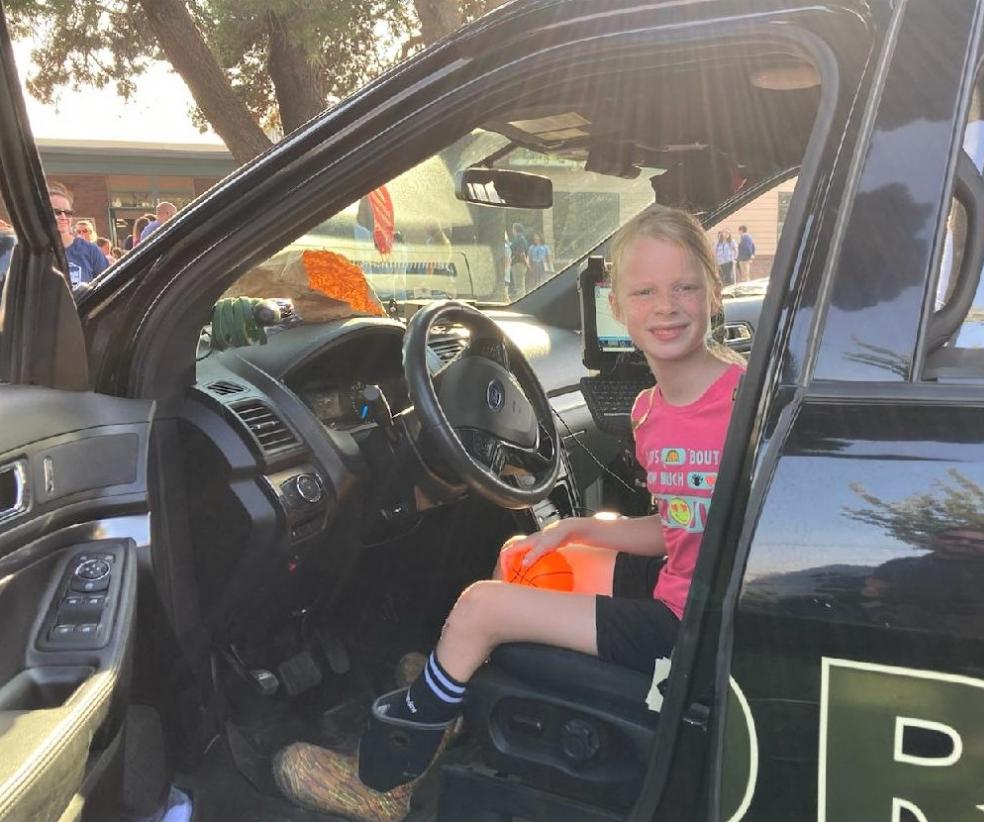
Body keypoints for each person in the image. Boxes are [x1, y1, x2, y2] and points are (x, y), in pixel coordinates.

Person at [272, 206, 746, 821]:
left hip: (695, 625)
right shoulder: (649, 411)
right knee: (521, 555)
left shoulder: (742, 400)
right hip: (679, 584)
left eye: (685, 287)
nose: (667, 305)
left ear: (714, 292)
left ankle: (388, 778)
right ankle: (448, 692)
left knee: (479, 606)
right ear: (618, 309)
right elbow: (682, 525)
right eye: (645, 291)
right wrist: (577, 528)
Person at [49, 184, 108, 286]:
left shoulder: (91, 251)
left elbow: (108, 288)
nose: (63, 216)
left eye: (67, 212)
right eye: (56, 212)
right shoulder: (35, 253)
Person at [509, 222, 530, 297]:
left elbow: (522, 253)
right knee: (520, 286)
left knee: (520, 287)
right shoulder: (520, 239)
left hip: (519, 264)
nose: (512, 230)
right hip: (518, 264)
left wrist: (526, 264)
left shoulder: (519, 239)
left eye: (513, 228)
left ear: (515, 229)